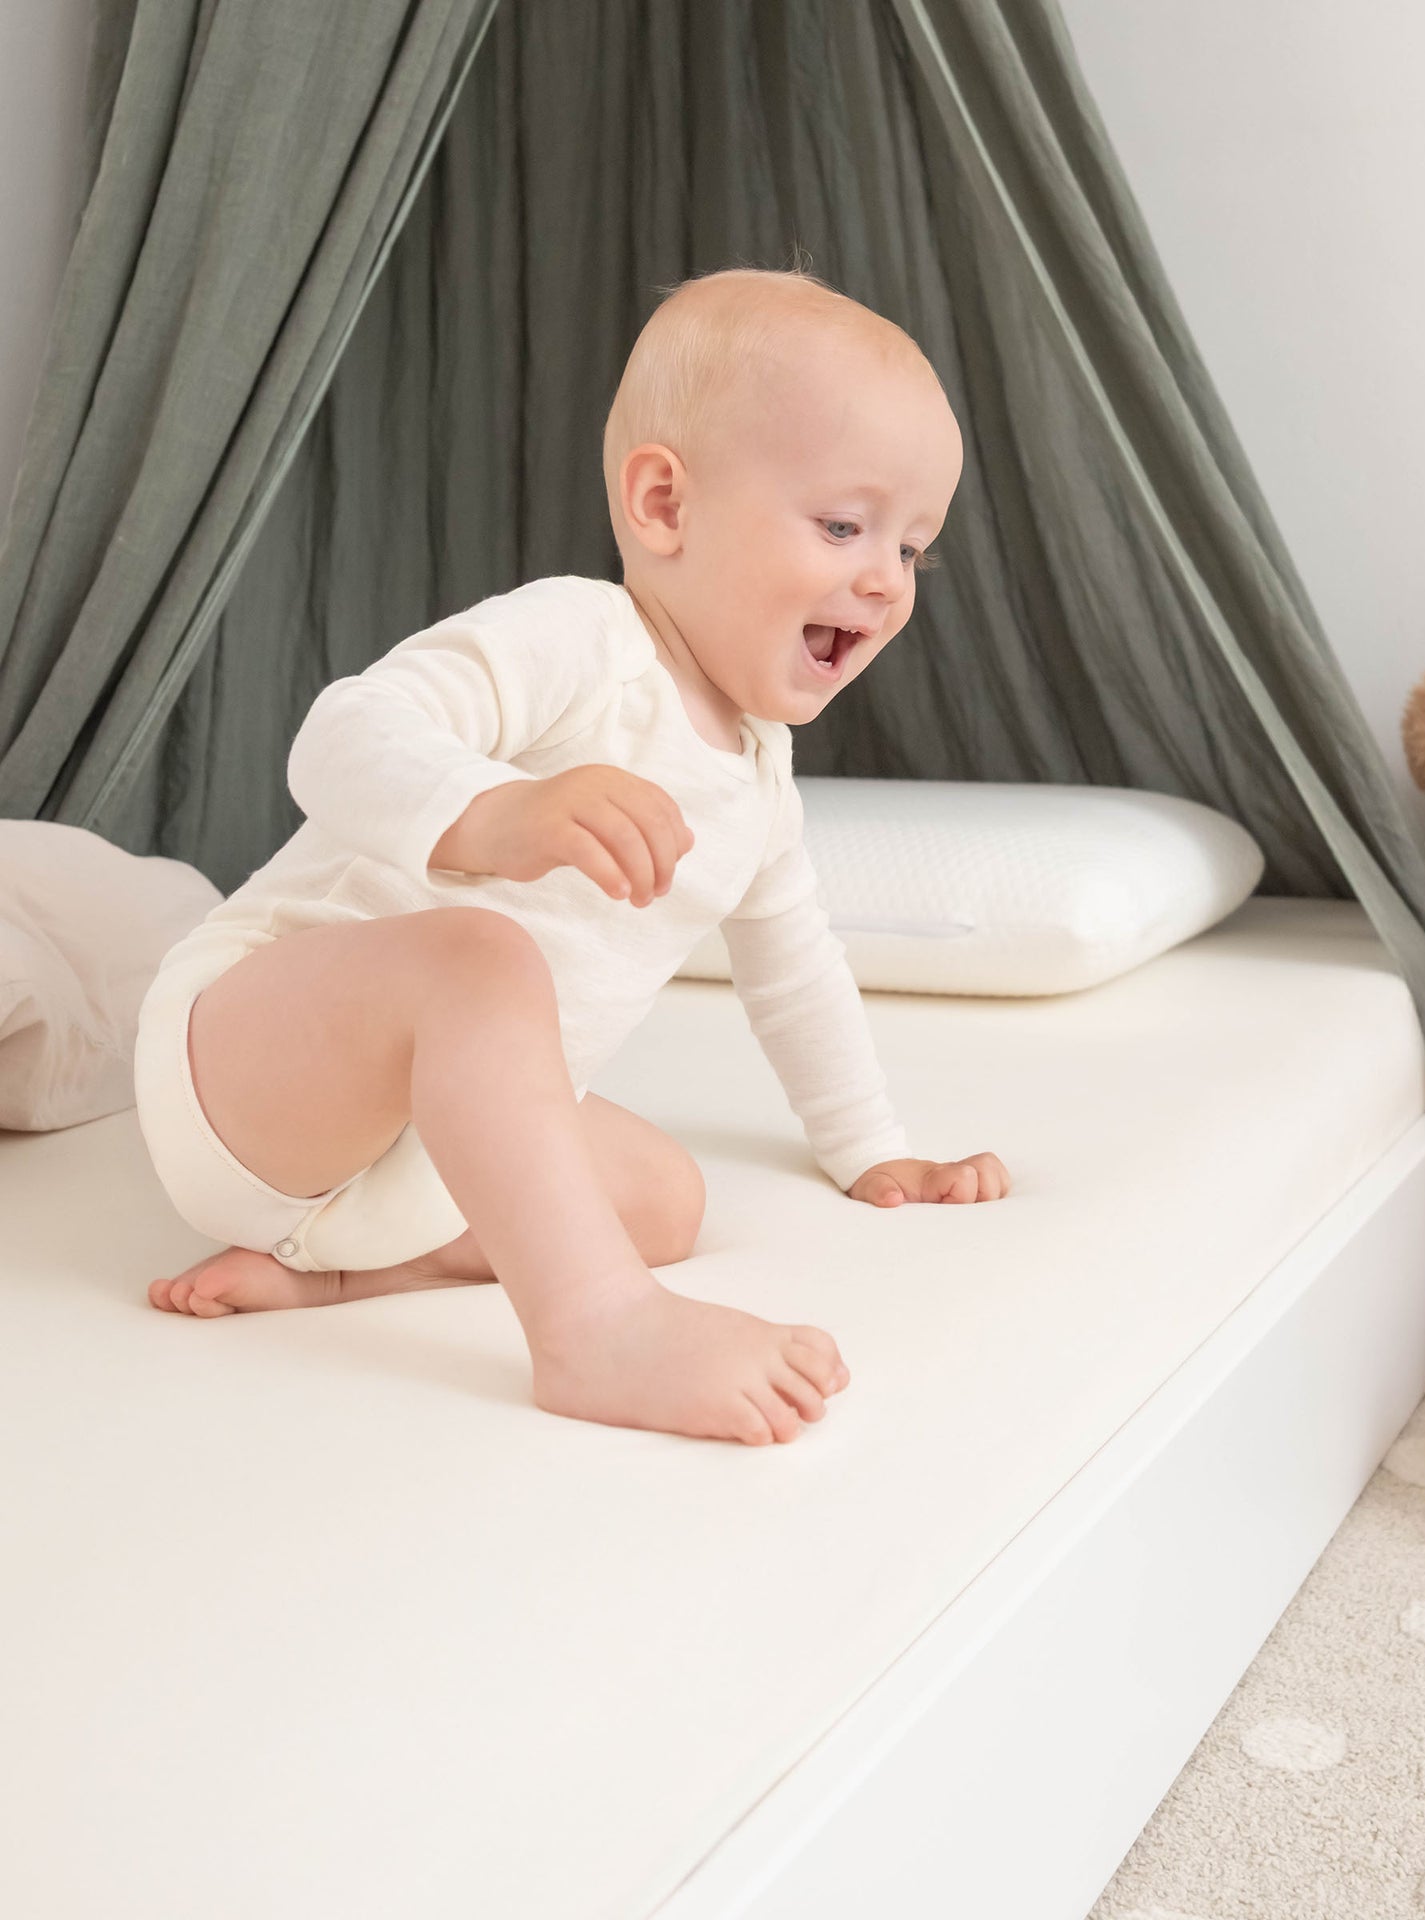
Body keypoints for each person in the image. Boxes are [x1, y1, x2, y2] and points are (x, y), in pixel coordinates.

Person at [134, 265, 1010, 1445]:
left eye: (914, 550)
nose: (882, 581)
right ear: (663, 506)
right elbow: (341, 734)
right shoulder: (580, 638)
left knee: (665, 1195)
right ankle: (598, 1328)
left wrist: (872, 1153)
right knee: (483, 962)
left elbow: (795, 971)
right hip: (248, 1067)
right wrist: (493, 814)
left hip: (408, 1170)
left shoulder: (757, 781)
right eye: (844, 526)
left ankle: (345, 1276)